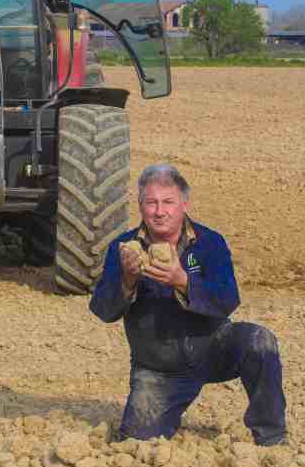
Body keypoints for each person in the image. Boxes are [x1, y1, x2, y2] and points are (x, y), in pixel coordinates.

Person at [90, 163, 287, 445]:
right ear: (140, 205)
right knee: (137, 441)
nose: (159, 211)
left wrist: (182, 281)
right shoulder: (123, 248)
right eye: (151, 203)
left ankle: (272, 437)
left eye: (168, 202)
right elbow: (102, 310)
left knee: (260, 340)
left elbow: (228, 299)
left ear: (184, 203)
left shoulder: (210, 242)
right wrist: (127, 280)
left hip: (214, 348)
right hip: (158, 367)